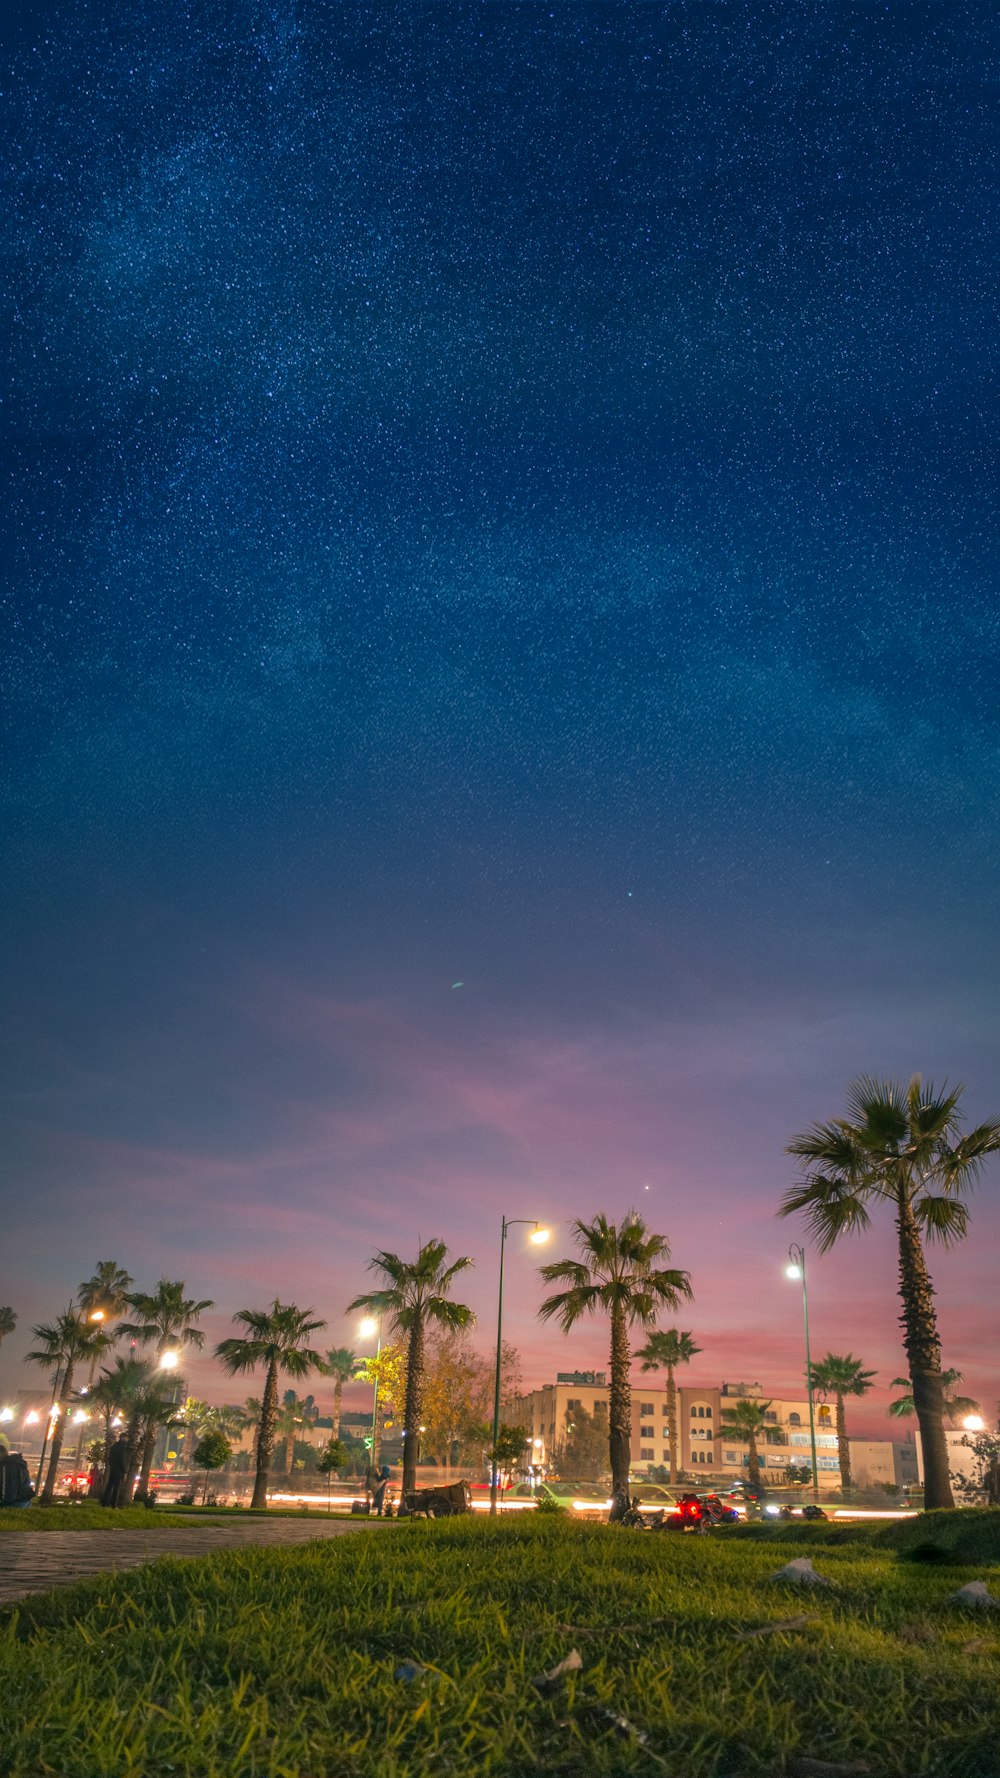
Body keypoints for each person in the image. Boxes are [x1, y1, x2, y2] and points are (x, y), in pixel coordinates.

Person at [0, 1435, 35, 1509]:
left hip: (15, 1504)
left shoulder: (7, 1467)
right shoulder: (17, 1464)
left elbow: (7, 1493)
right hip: (25, 1501)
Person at [101, 1433, 129, 1507]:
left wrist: (112, 1465)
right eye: (126, 1438)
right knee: (116, 1487)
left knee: (109, 1486)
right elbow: (121, 1459)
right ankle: (113, 1504)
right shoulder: (122, 1446)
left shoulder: (114, 1446)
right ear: (122, 1438)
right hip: (118, 1470)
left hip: (113, 1468)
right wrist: (124, 1471)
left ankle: (104, 1503)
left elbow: (110, 1458)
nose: (127, 1439)